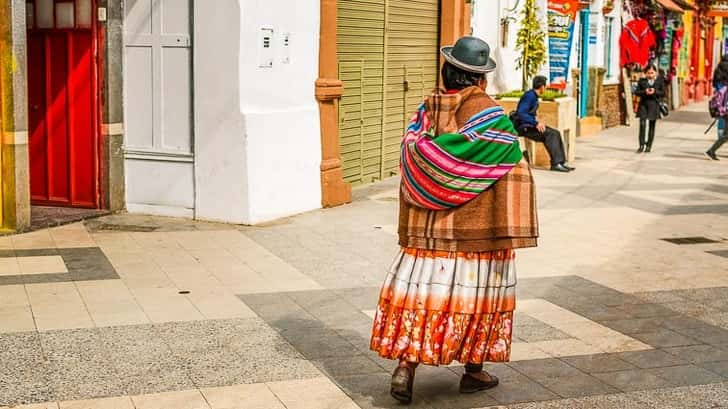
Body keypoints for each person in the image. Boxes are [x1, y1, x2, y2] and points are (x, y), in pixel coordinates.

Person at [370, 36, 538, 404]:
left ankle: (405, 368)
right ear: (481, 80)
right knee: (477, 298)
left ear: (448, 72)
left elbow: (412, 154)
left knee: (423, 297)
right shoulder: (492, 117)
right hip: (476, 237)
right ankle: (474, 371)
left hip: (428, 235)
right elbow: (511, 164)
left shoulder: (425, 112)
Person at [514, 76, 574, 172]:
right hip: (524, 128)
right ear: (542, 87)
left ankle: (560, 162)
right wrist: (535, 123)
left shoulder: (533, 96)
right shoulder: (529, 96)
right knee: (550, 134)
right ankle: (556, 164)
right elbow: (521, 112)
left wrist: (535, 123)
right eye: (545, 86)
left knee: (555, 133)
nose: (545, 89)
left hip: (530, 126)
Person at [634, 64, 666, 153]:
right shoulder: (642, 81)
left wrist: (655, 91)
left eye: (652, 73)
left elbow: (663, 93)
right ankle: (641, 145)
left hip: (654, 105)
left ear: (655, 73)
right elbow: (636, 92)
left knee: (652, 126)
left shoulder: (659, 81)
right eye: (648, 73)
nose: (650, 75)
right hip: (643, 105)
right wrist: (645, 92)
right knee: (642, 124)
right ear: (645, 73)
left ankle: (649, 145)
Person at [707, 55, 728, 160]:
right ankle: (711, 150)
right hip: (725, 108)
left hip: (722, 109)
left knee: (725, 133)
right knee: (726, 135)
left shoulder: (718, 69)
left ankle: (712, 150)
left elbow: (714, 84)